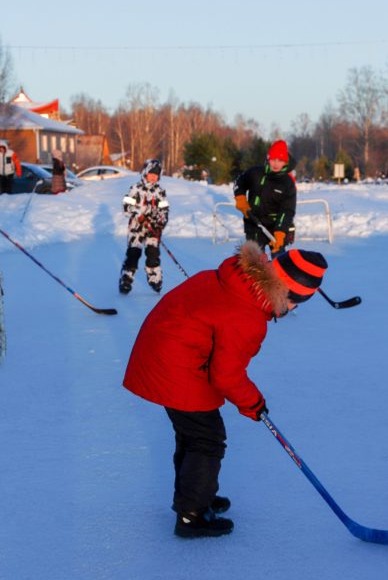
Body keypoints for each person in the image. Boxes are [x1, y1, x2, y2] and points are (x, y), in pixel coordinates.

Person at [123, 241, 328, 538]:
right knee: (207, 439)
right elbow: (226, 375)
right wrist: (253, 403)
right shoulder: (247, 316)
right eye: (296, 302)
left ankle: (195, 495)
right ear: (285, 291)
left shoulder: (235, 279)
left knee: (192, 434)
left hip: (168, 353)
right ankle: (192, 515)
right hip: (176, 365)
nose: (291, 309)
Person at [233, 139, 297, 256]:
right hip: (254, 224)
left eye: (280, 160)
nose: (276, 163)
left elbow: (287, 210)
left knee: (278, 264)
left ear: (286, 162)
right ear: (268, 158)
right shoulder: (255, 173)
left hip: (276, 228)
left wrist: (280, 232)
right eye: (273, 159)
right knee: (254, 264)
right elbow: (239, 182)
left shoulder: (287, 183)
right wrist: (241, 199)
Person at [119, 159, 169, 294]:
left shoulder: (160, 192)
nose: (153, 177)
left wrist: (159, 223)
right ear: (145, 173)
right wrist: (138, 214)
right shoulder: (136, 189)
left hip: (153, 229)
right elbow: (126, 206)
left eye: (156, 174)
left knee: (153, 254)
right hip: (136, 228)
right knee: (133, 254)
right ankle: (126, 279)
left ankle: (155, 279)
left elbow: (164, 210)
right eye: (151, 173)